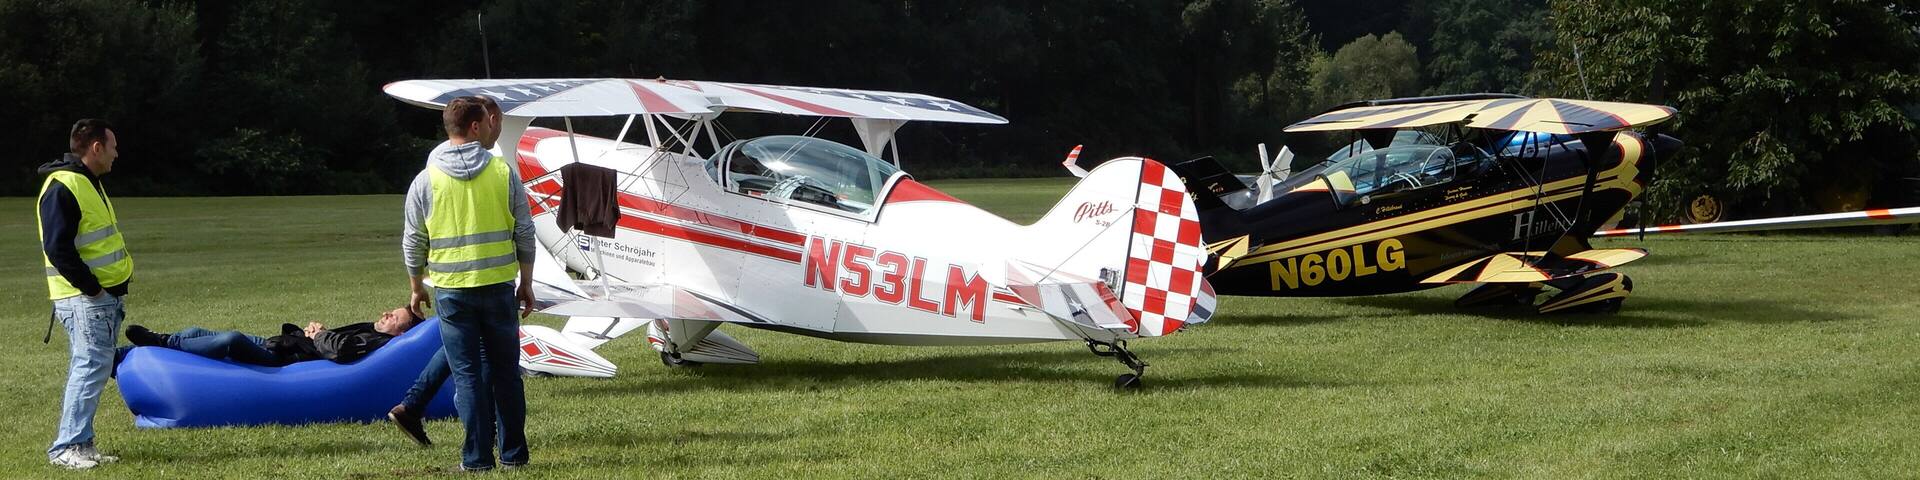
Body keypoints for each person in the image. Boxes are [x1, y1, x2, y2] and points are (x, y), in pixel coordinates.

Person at [402, 95, 536, 472]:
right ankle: (514, 455)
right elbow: (525, 231)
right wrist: (526, 281)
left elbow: (414, 240)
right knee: (507, 375)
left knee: (469, 376)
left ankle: (476, 459)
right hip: (496, 287)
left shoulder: (425, 180)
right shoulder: (503, 173)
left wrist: (416, 286)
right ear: (475, 127)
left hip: (452, 292)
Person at [387, 96, 510, 449]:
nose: (495, 129)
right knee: (480, 365)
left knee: (459, 347)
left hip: (449, 280)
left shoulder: (435, 164)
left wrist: (416, 282)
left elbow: (415, 235)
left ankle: (413, 405)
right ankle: (489, 442)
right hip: (486, 276)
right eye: (494, 121)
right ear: (481, 122)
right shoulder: (493, 169)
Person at [38, 119, 132, 469]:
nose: (116, 153)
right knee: (89, 365)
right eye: (113, 146)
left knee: (93, 365)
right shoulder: (64, 185)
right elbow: (57, 248)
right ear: (96, 148)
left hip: (97, 298)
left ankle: (82, 444)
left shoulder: (87, 182)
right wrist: (92, 289)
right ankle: (67, 447)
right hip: (84, 299)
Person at [122, 307, 423, 366]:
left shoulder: (378, 342)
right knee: (195, 332)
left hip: (287, 360)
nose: (385, 314)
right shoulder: (371, 330)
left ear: (401, 331)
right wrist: (314, 333)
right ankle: (125, 353)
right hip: (289, 346)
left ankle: (163, 343)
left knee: (231, 339)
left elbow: (341, 351)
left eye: (393, 317)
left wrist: (320, 334)